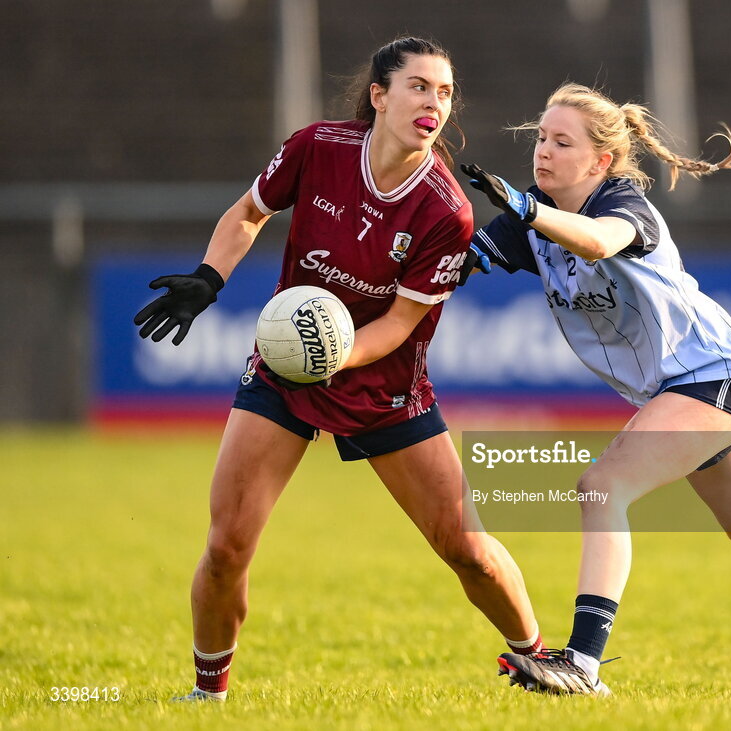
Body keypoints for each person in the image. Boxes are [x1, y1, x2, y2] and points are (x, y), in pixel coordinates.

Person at [133, 37, 544, 702]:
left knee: (464, 547)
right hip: (283, 375)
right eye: (418, 86)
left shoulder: (446, 208)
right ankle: (207, 695)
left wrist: (330, 354)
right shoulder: (318, 147)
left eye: (444, 92)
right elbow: (248, 212)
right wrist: (211, 277)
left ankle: (542, 660)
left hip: (384, 388)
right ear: (379, 95)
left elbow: (399, 326)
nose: (434, 102)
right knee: (227, 545)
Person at [458, 83, 731, 696]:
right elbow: (454, 261)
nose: (543, 152)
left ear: (601, 161)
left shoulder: (623, 204)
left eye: (561, 141)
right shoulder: (532, 223)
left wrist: (527, 209)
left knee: (602, 487)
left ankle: (582, 663)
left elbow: (598, 241)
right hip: (682, 386)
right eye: (541, 139)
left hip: (717, 374)